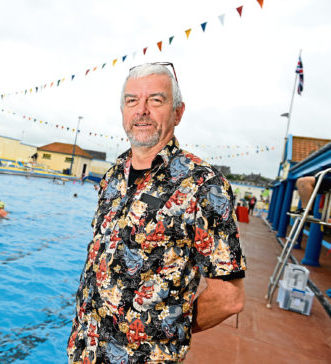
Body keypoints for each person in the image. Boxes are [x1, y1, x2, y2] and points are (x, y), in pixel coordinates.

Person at [67, 63, 246, 363]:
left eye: (156, 100)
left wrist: (168, 333)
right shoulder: (112, 177)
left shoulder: (203, 184)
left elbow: (229, 297)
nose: (142, 110)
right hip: (84, 352)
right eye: (132, 100)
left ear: (178, 112)